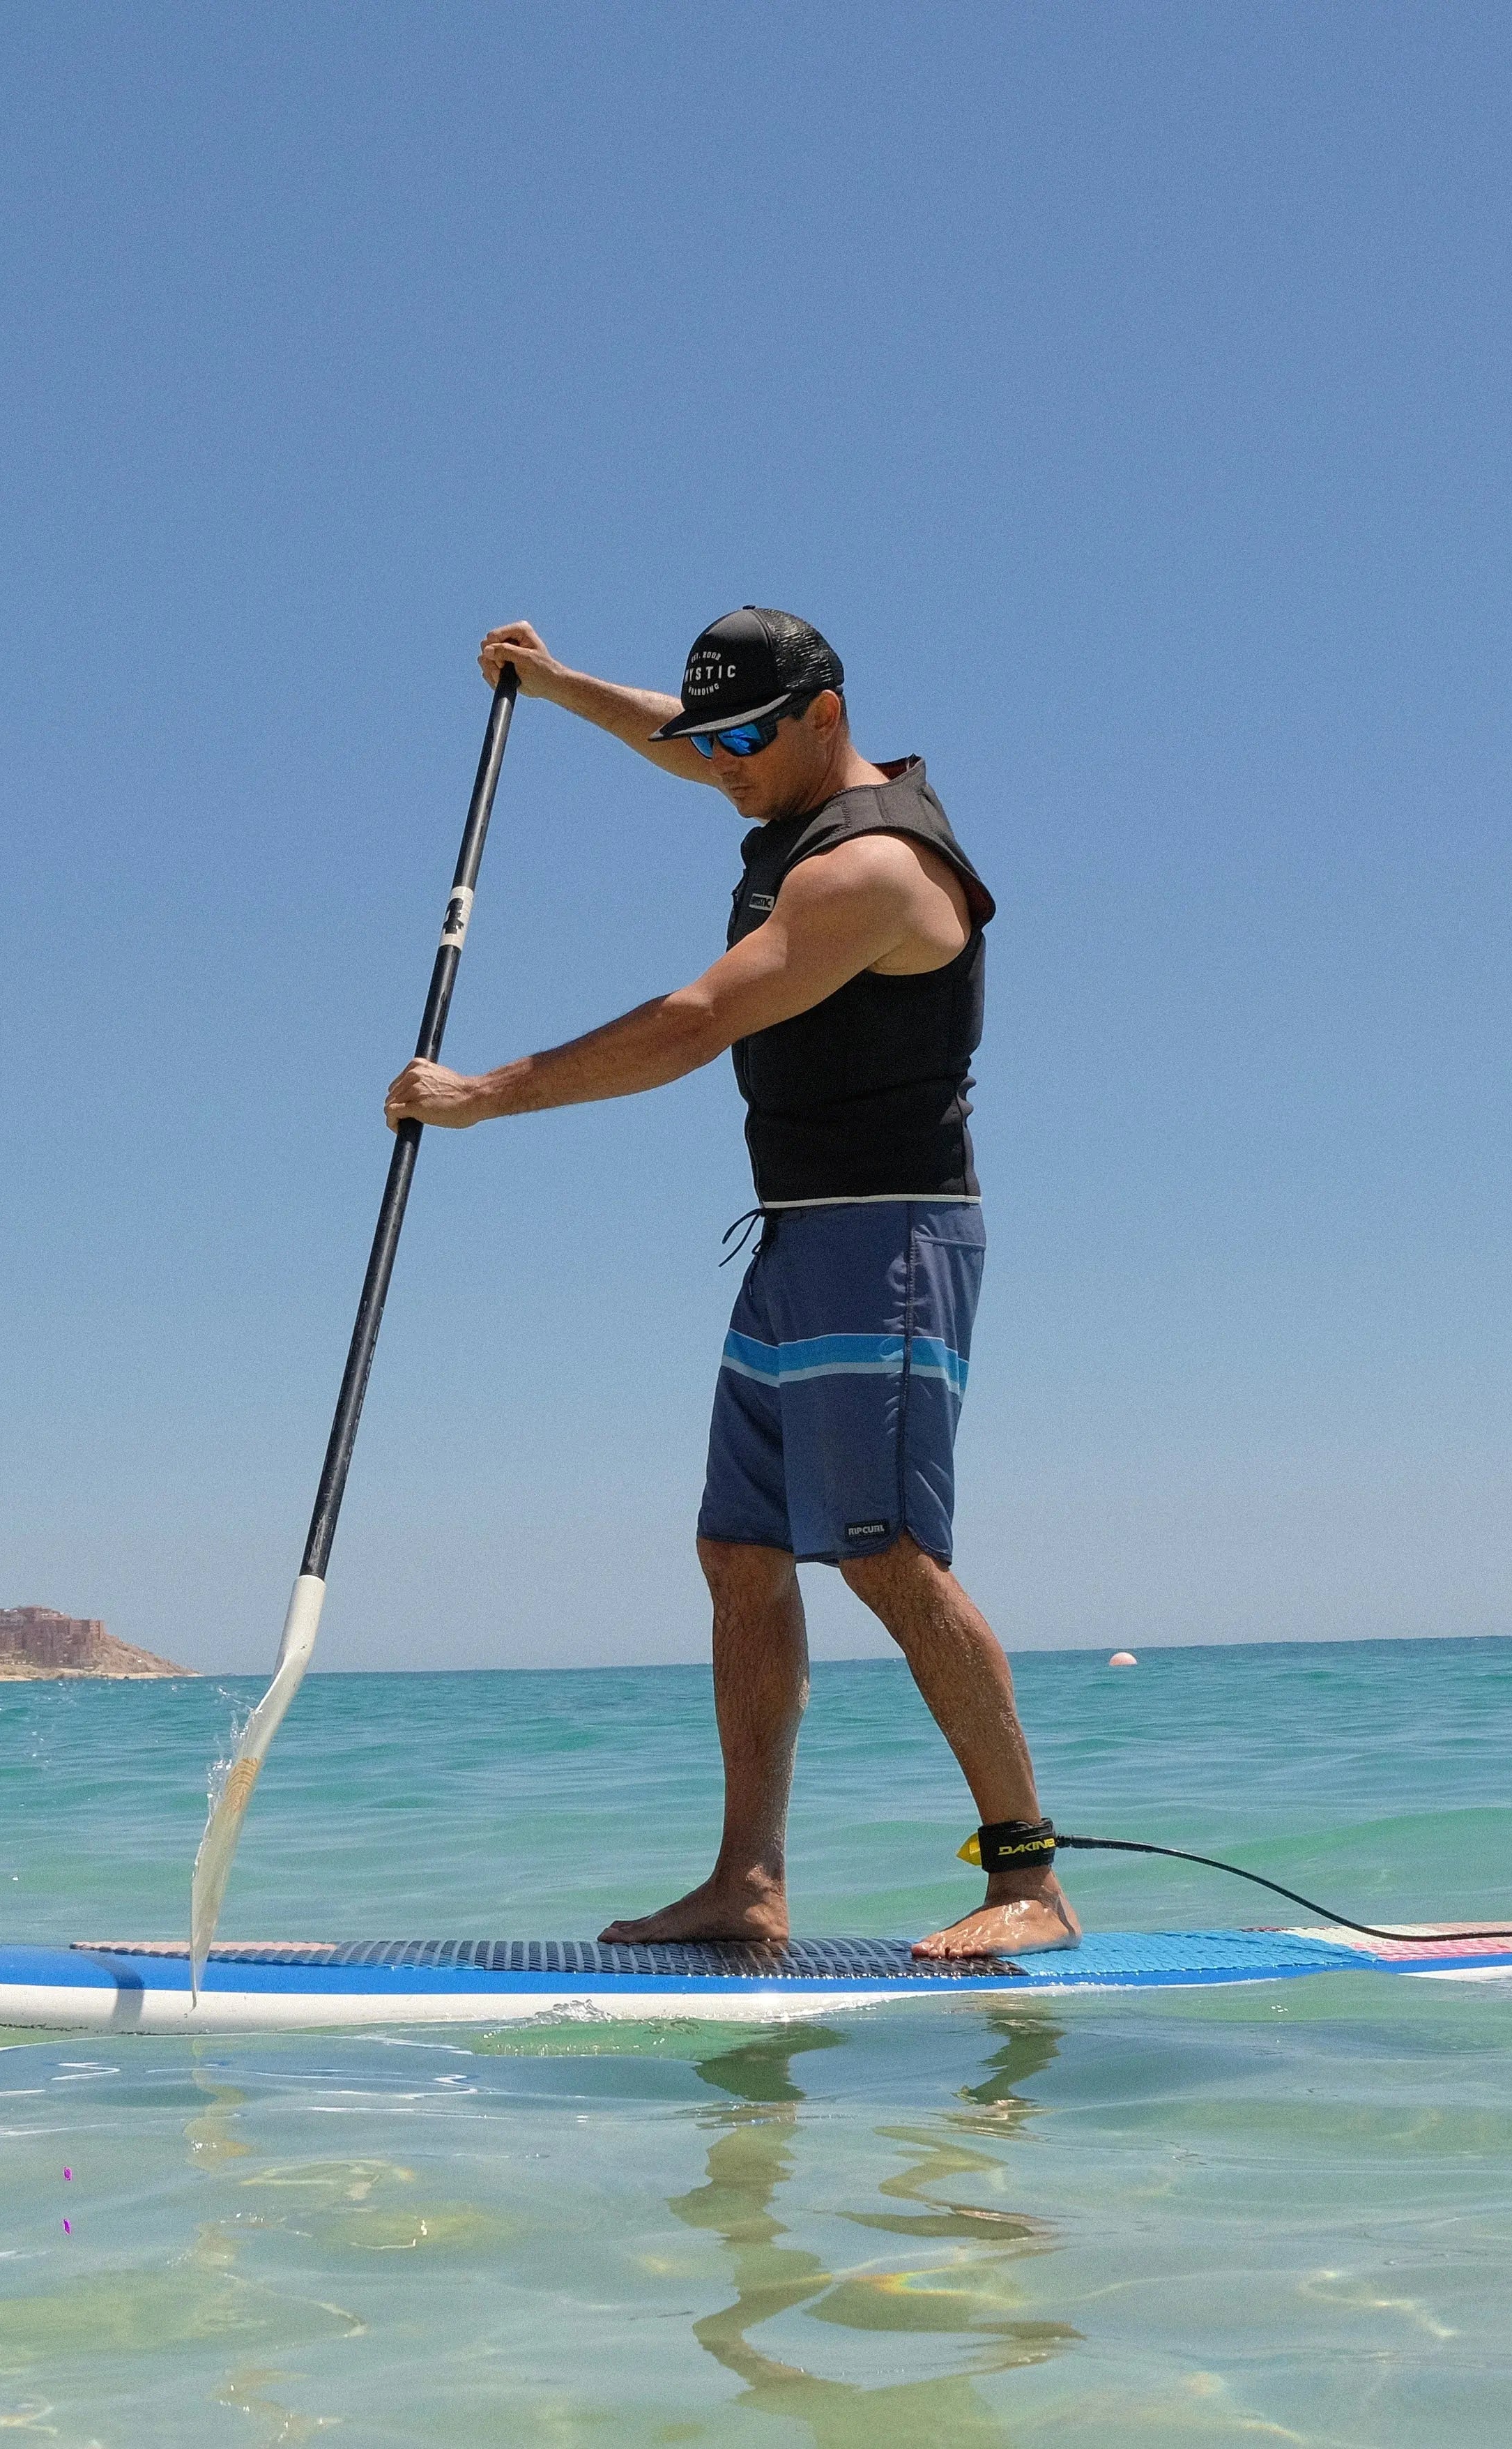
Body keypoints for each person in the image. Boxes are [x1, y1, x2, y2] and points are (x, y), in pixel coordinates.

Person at [385, 609, 1078, 1959]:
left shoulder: (872, 866)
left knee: (886, 1556)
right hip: (790, 1237)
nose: (723, 766)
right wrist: (551, 680)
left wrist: (479, 1097)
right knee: (740, 1553)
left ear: (828, 715)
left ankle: (1029, 1882)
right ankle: (744, 1882)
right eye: (714, 740)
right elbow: (675, 733)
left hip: (886, 1241)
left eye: (748, 738)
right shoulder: (776, 770)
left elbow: (698, 1023)